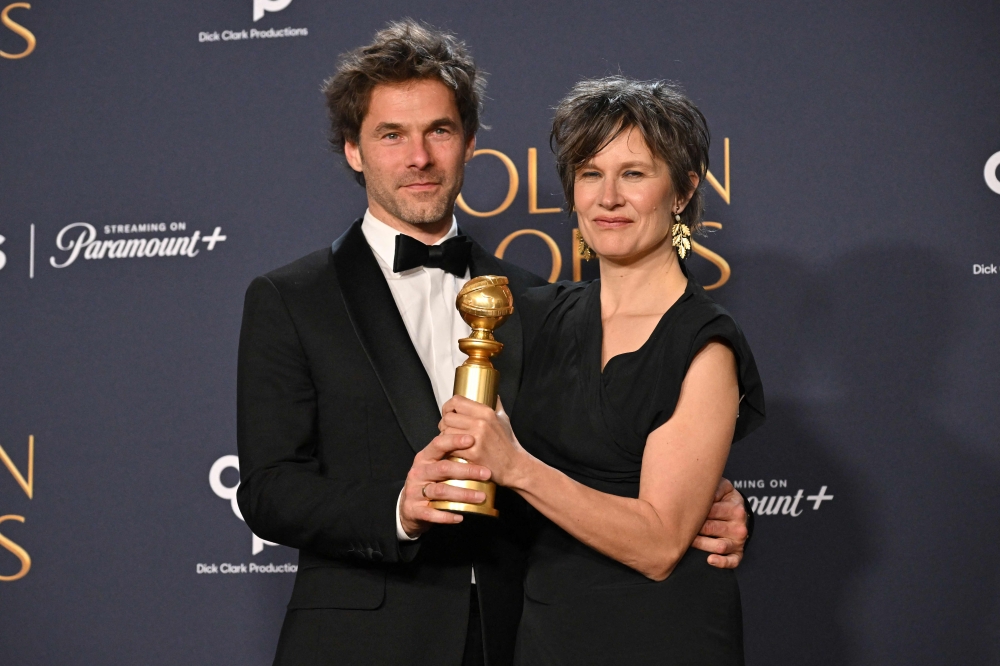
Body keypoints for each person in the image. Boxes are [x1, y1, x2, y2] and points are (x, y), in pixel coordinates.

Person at [236, 21, 753, 666]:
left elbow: (598, 449)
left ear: (470, 143)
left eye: (439, 131)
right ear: (353, 150)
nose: (419, 157)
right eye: (391, 135)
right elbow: (269, 489)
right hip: (362, 640)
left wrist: (706, 502)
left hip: (519, 636)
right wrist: (397, 507)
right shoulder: (291, 298)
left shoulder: (535, 299)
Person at [440, 76, 766, 665]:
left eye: (634, 174)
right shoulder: (533, 316)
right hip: (547, 632)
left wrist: (517, 467)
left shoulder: (704, 343)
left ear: (683, 189)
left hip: (664, 636)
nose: (608, 198)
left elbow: (660, 545)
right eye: (590, 174)